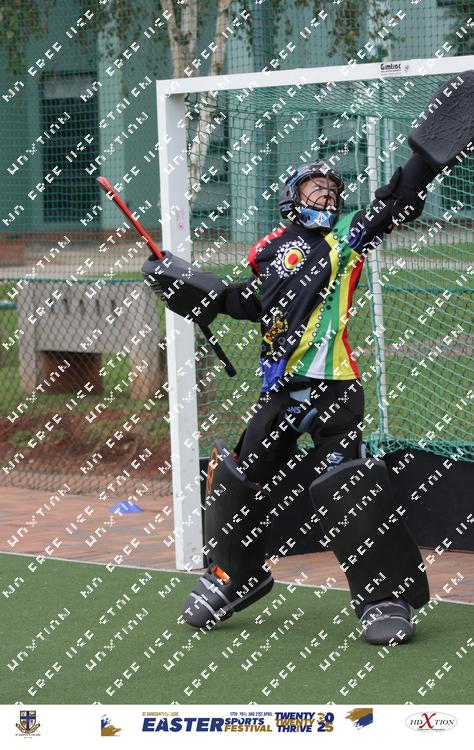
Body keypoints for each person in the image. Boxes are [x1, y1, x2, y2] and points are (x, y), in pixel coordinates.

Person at [175, 148, 444, 645]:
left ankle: (384, 597)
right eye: (314, 185)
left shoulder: (347, 235)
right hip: (279, 392)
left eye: (332, 188)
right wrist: (191, 290)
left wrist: (427, 157)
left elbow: (396, 201)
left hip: (334, 389)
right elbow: (253, 302)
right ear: (291, 197)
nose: (326, 192)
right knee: (239, 479)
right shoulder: (271, 249)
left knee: (348, 488)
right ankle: (233, 575)